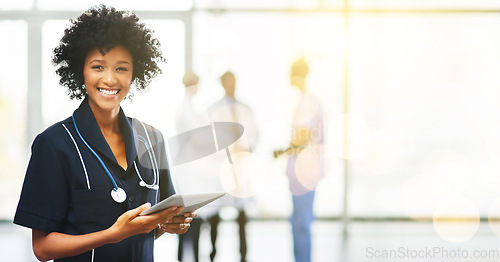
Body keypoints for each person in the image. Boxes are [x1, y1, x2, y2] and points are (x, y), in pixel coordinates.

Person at [13, 5, 196, 262]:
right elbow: (42, 248)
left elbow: (152, 224)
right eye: (98, 67)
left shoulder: (153, 139)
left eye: (121, 68)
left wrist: (168, 224)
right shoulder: (54, 145)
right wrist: (112, 234)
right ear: (81, 72)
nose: (110, 79)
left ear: (135, 74)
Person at [207, 71, 258, 262]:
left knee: (242, 214)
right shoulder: (213, 109)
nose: (231, 85)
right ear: (222, 84)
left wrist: (244, 147)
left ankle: (243, 255)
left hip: (240, 165)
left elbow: (254, 133)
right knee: (215, 213)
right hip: (221, 166)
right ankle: (213, 253)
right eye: (228, 82)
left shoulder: (245, 109)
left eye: (233, 82)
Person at [278, 58, 324, 262]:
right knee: (299, 220)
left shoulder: (307, 103)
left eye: (291, 72)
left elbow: (302, 139)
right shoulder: (307, 100)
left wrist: (281, 151)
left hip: (304, 171)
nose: (288, 77)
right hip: (304, 170)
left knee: (301, 223)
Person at [175, 70, 206, 262]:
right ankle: (188, 257)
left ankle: (188, 256)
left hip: (190, 167)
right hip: (188, 168)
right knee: (190, 216)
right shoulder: (187, 110)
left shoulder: (190, 108)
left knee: (191, 216)